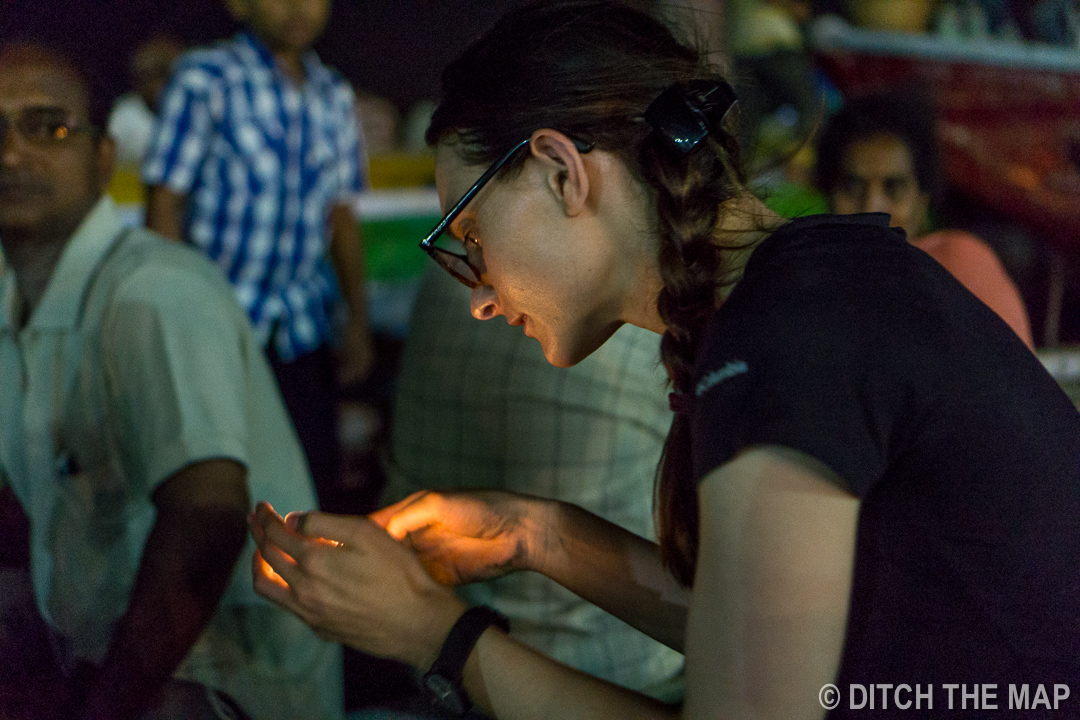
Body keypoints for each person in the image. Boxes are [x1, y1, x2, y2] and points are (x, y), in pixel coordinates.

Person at [249, 3, 1080, 719]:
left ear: (560, 172)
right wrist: (533, 535)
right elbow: (770, 638)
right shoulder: (806, 290)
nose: (479, 296)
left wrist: (433, 631)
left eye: (471, 238)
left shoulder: (792, 333)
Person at [0, 43, 343, 720]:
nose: (11, 154)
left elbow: (208, 516)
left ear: (104, 159)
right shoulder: (16, 295)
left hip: (220, 677)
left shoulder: (154, 292)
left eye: (47, 127)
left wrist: (105, 709)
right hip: (104, 646)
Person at [383, 266, 685, 700]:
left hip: (447, 673)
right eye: (462, 238)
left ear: (575, 192)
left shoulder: (439, 281)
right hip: (613, 669)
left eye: (471, 232)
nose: (480, 302)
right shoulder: (656, 315)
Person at [143, 0, 373, 514]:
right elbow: (164, 201)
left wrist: (356, 318)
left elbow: (340, 214)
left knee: (313, 485)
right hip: (219, 326)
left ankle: (301, 593)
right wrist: (177, 318)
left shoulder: (332, 92)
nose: (298, 8)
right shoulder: (205, 79)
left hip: (301, 328)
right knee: (220, 491)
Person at [814, 91, 1036, 349]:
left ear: (922, 200)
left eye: (893, 188)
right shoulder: (810, 280)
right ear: (828, 194)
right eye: (853, 187)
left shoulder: (958, 266)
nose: (870, 208)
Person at [106, 35, 184, 167]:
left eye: (160, 75)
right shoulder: (126, 115)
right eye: (146, 77)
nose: (153, 86)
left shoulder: (192, 111)